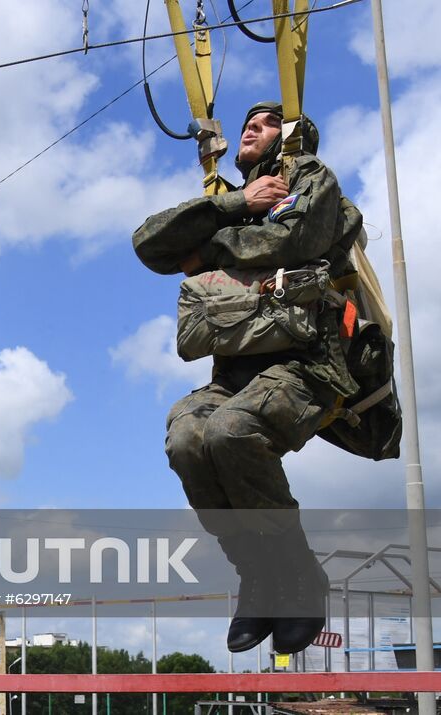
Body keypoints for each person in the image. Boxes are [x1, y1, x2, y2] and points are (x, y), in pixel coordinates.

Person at [132, 102, 365, 654]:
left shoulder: (313, 180)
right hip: (238, 373)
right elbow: (149, 243)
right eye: (246, 125)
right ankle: (258, 577)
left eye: (263, 125)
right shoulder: (230, 205)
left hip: (309, 363)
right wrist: (235, 205)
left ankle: (299, 579)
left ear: (289, 139)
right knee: (188, 438)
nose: (248, 131)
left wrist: (212, 246)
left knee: (231, 432)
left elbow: (294, 242)